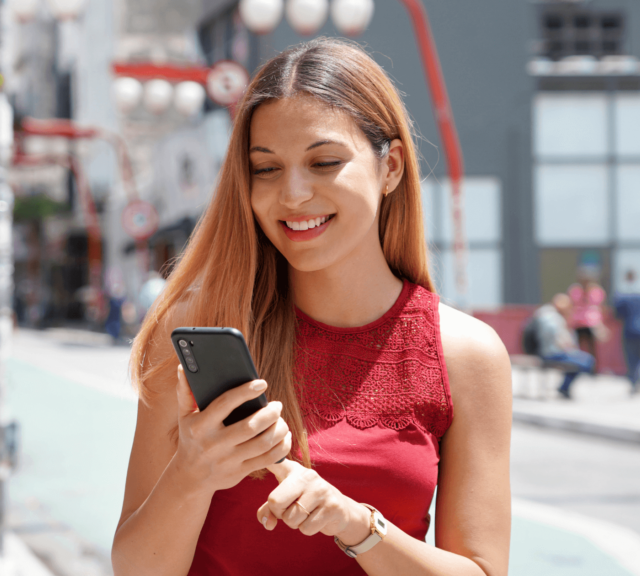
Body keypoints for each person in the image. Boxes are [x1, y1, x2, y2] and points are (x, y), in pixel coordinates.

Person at [112, 38, 512, 576]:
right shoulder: (195, 329)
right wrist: (193, 469)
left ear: (390, 166)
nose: (293, 195)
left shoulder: (465, 354)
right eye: (266, 169)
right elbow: (136, 570)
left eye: (324, 162)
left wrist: (356, 526)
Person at [534, 293, 595, 400]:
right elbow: (555, 337)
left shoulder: (553, 316)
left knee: (585, 361)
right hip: (551, 353)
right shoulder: (550, 317)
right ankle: (564, 387)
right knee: (586, 360)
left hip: (556, 352)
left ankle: (564, 387)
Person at [614, 270, 640, 394]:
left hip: (629, 330)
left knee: (632, 357)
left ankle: (635, 381)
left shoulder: (622, 295)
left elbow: (617, 314)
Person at [567, 267, 606, 364]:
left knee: (592, 348)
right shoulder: (575, 290)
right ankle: (579, 366)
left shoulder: (596, 291)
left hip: (592, 323)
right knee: (578, 348)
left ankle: (593, 368)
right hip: (578, 323)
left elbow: (599, 308)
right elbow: (571, 306)